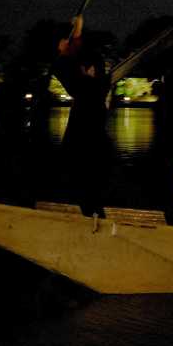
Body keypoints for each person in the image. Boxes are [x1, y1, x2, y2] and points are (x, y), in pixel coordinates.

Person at [50, 14, 114, 218]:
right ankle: (93, 214)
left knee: (85, 184)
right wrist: (76, 37)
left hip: (85, 147)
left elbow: (67, 73)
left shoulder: (90, 88)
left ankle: (93, 216)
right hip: (89, 147)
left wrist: (64, 52)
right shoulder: (96, 86)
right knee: (87, 187)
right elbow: (72, 73)